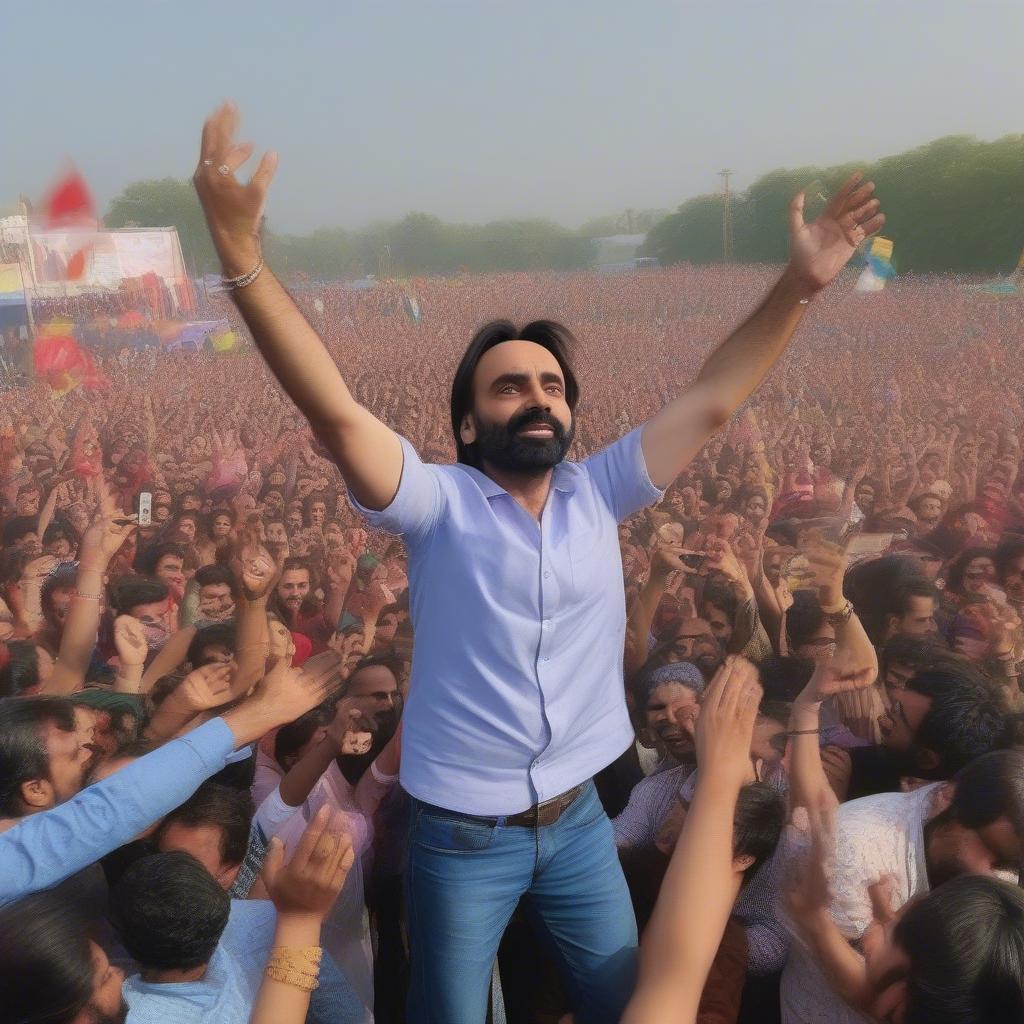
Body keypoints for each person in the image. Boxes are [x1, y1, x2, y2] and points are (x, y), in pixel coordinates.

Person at [194, 102, 884, 1022]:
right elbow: (338, 414)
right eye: (510, 385)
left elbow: (715, 400)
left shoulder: (602, 491)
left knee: (620, 1000)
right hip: (459, 839)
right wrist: (243, 260)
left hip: (581, 825)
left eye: (552, 386)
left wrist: (797, 287)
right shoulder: (437, 504)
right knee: (449, 1011)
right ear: (470, 422)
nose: (537, 399)